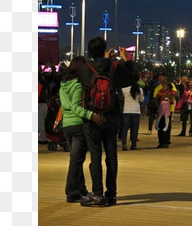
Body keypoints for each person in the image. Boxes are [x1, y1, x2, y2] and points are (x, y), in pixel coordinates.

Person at [78, 37, 139, 207]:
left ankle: (97, 194)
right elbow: (133, 77)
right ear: (105, 50)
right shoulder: (114, 67)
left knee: (95, 156)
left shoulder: (84, 68)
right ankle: (111, 194)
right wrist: (126, 59)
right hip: (112, 116)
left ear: (89, 51)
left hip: (93, 117)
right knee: (111, 155)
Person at [59, 56, 104, 203]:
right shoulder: (78, 85)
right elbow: (75, 107)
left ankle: (81, 189)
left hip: (67, 125)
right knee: (76, 160)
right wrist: (91, 115)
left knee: (76, 158)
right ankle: (72, 192)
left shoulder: (63, 84)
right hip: (78, 124)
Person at [153, 73, 178, 148]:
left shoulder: (171, 85)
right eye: (159, 77)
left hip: (168, 108)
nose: (160, 78)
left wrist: (164, 95)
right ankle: (161, 141)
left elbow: (174, 93)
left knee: (167, 124)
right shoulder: (157, 88)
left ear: (165, 77)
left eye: (162, 76)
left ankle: (166, 141)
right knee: (160, 124)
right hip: (160, 108)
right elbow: (155, 97)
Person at [120, 78, 144, 151]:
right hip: (136, 111)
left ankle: (124, 144)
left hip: (126, 110)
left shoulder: (124, 89)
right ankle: (133, 145)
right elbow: (141, 100)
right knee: (134, 129)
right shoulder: (139, 89)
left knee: (125, 128)